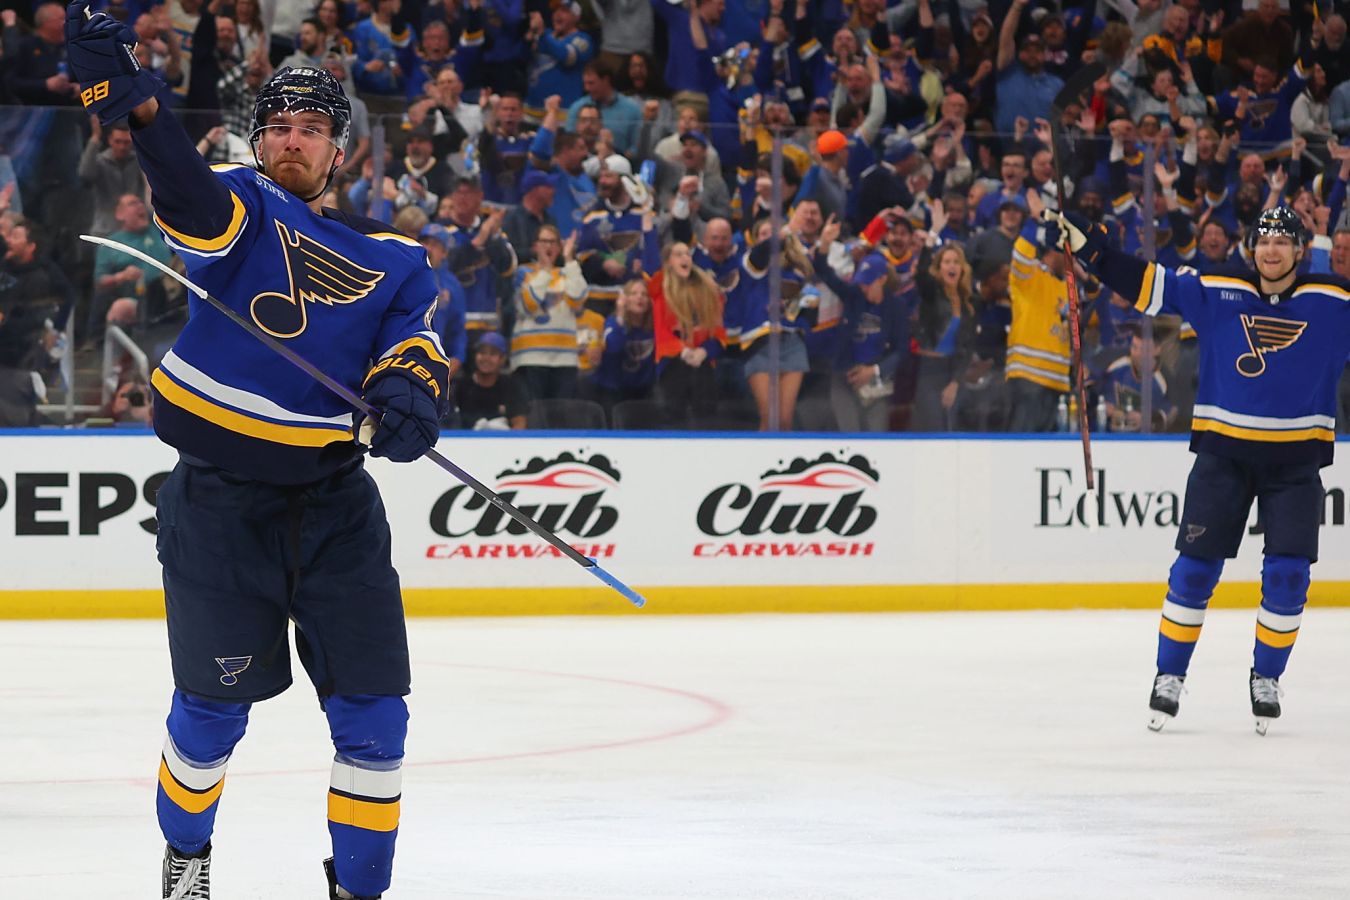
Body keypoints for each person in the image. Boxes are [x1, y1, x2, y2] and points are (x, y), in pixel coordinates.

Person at [66, 7, 452, 897]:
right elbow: (189, 198)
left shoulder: (396, 258)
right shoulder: (241, 203)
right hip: (219, 508)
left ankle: (359, 889)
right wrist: (145, 109)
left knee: (376, 722)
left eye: (311, 127)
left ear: (339, 150)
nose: (291, 139)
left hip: (336, 512)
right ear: (258, 140)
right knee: (210, 715)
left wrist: (408, 395)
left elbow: (415, 346)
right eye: (276, 125)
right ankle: (187, 859)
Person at [1047, 206, 1350, 735]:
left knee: (1288, 577)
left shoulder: (1334, 301)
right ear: (1250, 248)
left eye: (1282, 242)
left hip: (1296, 462)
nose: (1271, 250)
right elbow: (1148, 285)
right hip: (1222, 457)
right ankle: (1169, 675)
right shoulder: (1217, 289)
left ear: (1300, 250)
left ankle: (1266, 677)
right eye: (1263, 241)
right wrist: (1091, 250)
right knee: (1193, 571)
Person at [510, 225, 587, 400]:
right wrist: (545, 270)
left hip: (565, 358)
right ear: (535, 246)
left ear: (559, 247)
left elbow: (578, 298)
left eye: (553, 242)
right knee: (534, 413)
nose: (548, 246)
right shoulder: (523, 272)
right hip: (530, 357)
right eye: (544, 241)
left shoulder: (567, 273)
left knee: (562, 413)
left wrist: (569, 260)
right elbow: (529, 304)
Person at [452, 331, 529, 428]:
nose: (486, 358)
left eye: (493, 354)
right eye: (482, 353)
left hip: (503, 437)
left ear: (502, 359)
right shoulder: (461, 387)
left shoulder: (512, 386)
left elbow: (519, 422)